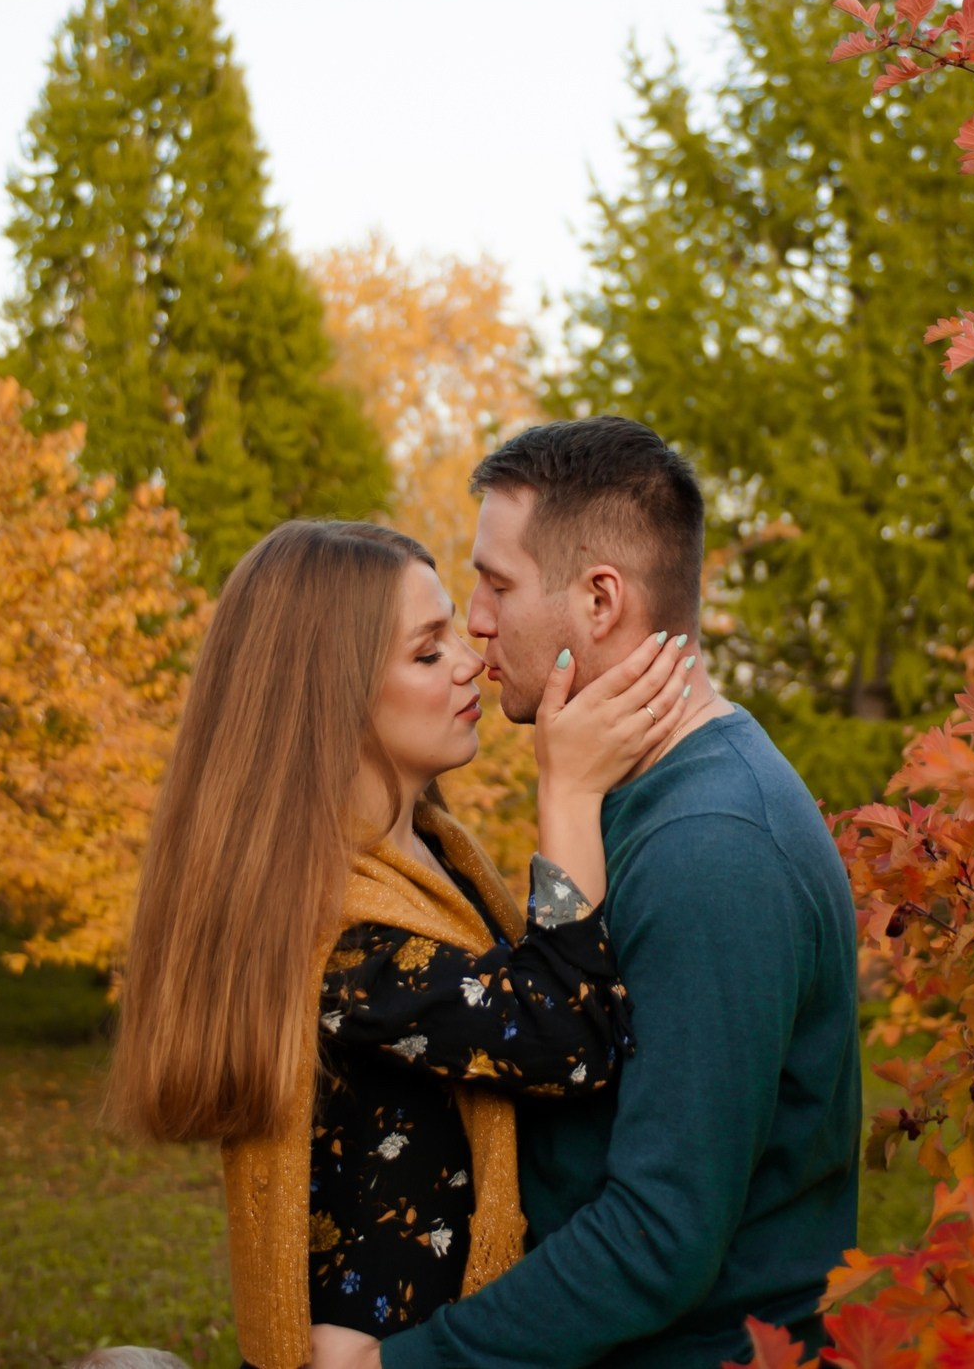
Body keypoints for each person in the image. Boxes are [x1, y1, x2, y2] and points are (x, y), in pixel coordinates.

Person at [107, 519, 694, 1369]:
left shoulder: (430, 855)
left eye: (455, 628)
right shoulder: (338, 935)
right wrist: (568, 793)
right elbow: (564, 1040)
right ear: (329, 700)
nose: (469, 659)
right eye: (427, 653)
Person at [368, 417, 864, 1369]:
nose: (476, 619)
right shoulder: (637, 797)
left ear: (600, 599)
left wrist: (404, 1368)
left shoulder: (713, 847)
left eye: (497, 583)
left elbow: (656, 1239)